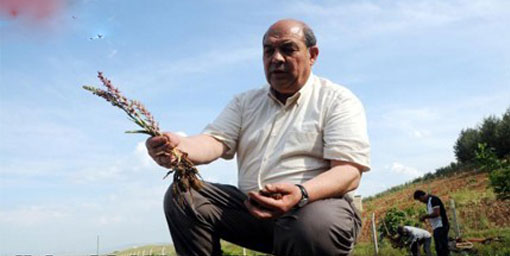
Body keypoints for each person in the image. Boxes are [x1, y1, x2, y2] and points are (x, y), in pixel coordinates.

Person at [146, 19, 371, 256]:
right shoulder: (245, 103)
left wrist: (301, 194)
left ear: (312, 55)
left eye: (288, 49)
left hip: (316, 211)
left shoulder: (337, 100)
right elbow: (214, 141)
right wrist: (179, 149)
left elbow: (348, 173)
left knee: (310, 226)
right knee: (183, 197)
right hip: (253, 211)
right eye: (268, 51)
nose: (276, 58)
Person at [414, 190, 450, 256]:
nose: (420, 201)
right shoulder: (428, 203)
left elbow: (437, 213)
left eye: (420, 199)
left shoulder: (433, 199)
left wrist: (425, 216)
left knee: (442, 248)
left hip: (441, 226)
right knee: (439, 248)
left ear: (422, 196)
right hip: (436, 227)